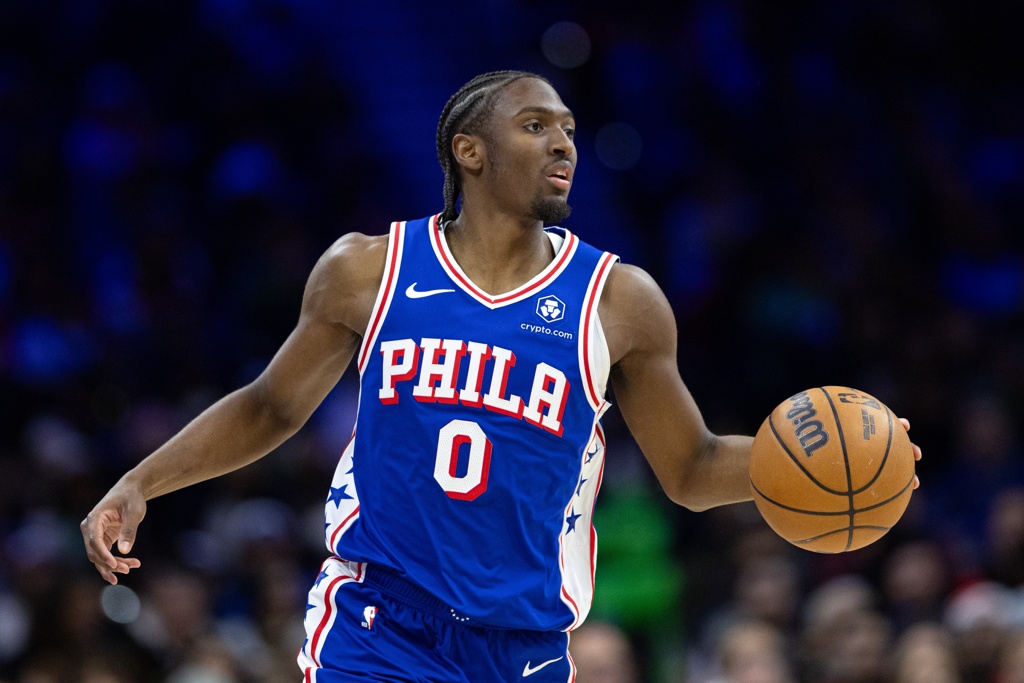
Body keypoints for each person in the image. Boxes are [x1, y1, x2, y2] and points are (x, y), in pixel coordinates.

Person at [81, 70, 921, 682]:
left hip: (522, 645)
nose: (563, 143)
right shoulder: (368, 270)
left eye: (569, 130)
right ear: (470, 150)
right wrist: (141, 480)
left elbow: (692, 468)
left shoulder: (619, 300)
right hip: (379, 622)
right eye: (535, 125)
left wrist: (814, 466)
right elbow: (269, 406)